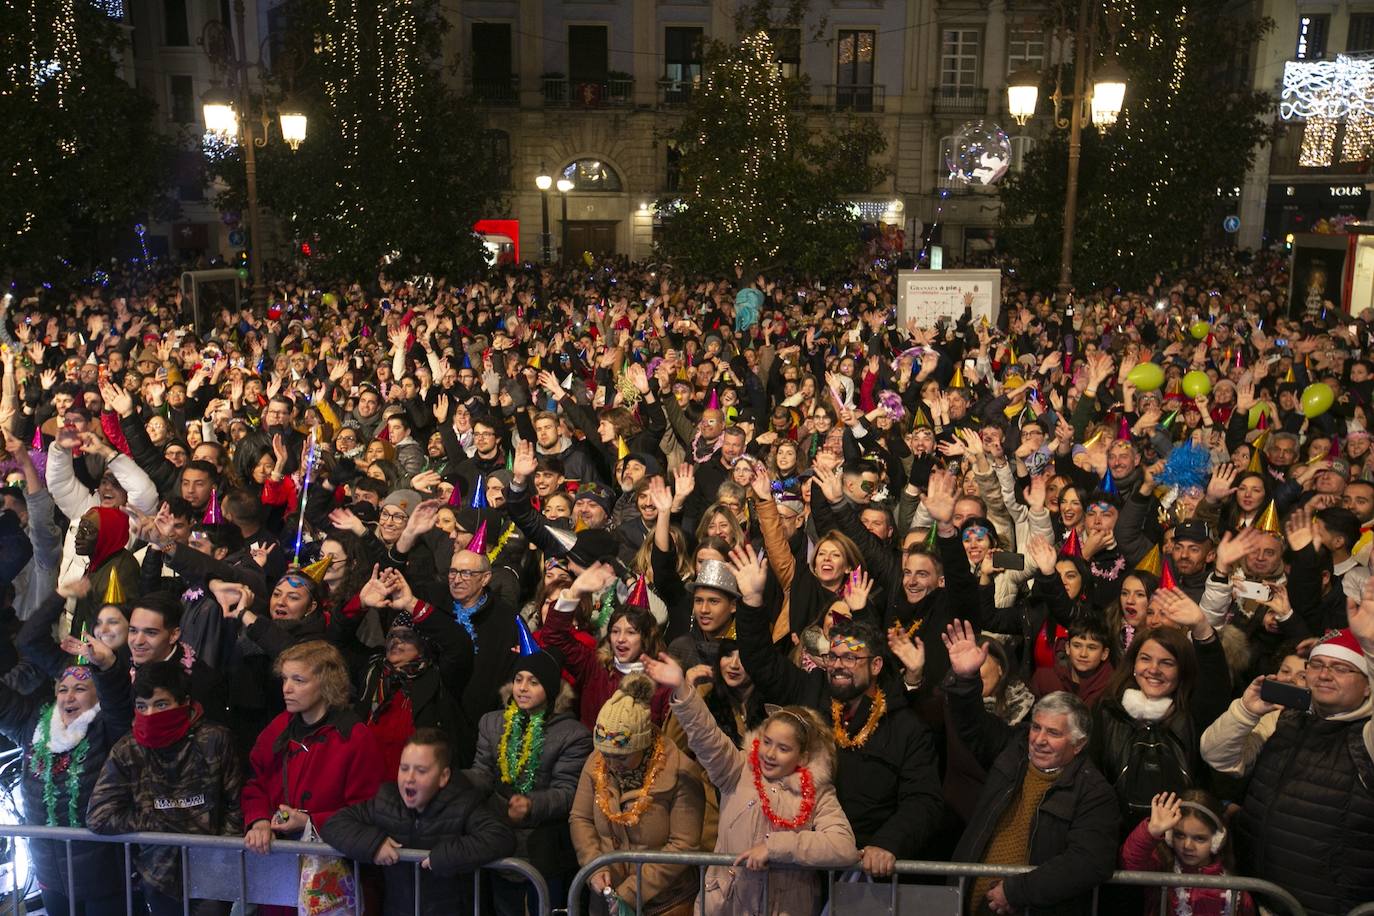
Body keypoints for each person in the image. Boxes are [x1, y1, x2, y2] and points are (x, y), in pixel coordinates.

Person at [732, 542, 943, 874]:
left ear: (875, 666)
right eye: (833, 656)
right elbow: (761, 662)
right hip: (802, 860)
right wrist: (751, 603)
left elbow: (924, 801)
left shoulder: (904, 726)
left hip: (865, 870)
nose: (838, 665)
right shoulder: (810, 690)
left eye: (850, 658)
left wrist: (889, 842)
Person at [643, 649, 858, 915]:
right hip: (726, 905)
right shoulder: (738, 769)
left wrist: (777, 848)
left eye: (783, 748)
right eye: (766, 742)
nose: (769, 753)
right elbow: (707, 738)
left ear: (802, 755)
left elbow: (843, 847)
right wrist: (684, 691)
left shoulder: (817, 791)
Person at [942, 619, 1120, 916]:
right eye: (1036, 728)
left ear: (1078, 744)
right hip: (969, 903)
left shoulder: (1094, 793)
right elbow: (973, 727)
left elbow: (1089, 862)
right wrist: (965, 681)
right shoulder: (1013, 751)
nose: (1038, 740)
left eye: (1053, 733)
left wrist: (1016, 891)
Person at [1200, 613, 1374, 916]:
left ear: (1369, 685)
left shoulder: (1366, 737)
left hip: (1328, 907)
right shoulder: (1284, 719)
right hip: (1261, 897)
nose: (1323, 674)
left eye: (1341, 668)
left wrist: (1370, 646)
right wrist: (1245, 711)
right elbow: (1217, 756)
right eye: (1317, 665)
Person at [86, 662, 243, 916]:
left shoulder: (214, 739)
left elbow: (235, 804)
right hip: (158, 872)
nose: (150, 714)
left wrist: (221, 859)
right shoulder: (127, 749)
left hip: (212, 873)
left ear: (184, 702)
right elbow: (99, 816)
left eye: (161, 705)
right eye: (141, 706)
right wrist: (157, 820)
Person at [0, 630, 132, 916]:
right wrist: (61, 595)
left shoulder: (108, 728)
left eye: (80, 688)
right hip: (51, 878)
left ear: (98, 695)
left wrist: (107, 666)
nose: (69, 696)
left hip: (104, 879)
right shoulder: (33, 727)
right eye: (63, 689)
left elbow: (119, 699)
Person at [322, 729, 517, 916]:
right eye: (404, 768)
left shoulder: (465, 804)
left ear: (444, 777)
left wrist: (444, 856)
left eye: (421, 771)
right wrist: (373, 844)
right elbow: (335, 823)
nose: (409, 778)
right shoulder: (386, 800)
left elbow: (501, 836)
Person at [463, 646, 591, 916]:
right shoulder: (491, 723)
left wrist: (531, 804)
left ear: (551, 689)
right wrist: (458, 781)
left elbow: (568, 792)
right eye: (519, 679)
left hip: (545, 847)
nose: (522, 688)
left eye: (533, 682)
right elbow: (482, 772)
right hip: (500, 839)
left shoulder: (573, 735)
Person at [569, 673, 707, 916]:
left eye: (621, 757)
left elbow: (683, 845)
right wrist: (594, 866)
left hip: (667, 904)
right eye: (605, 754)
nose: (611, 764)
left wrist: (632, 892)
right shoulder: (596, 762)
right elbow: (581, 818)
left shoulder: (680, 772)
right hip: (607, 897)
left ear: (643, 746)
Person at [242, 641, 386, 854]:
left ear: (326, 684)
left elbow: (366, 809)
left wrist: (310, 821)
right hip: (280, 856)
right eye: (284, 678)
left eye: (298, 680)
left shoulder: (354, 736)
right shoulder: (279, 726)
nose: (286, 688)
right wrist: (259, 819)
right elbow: (255, 782)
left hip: (333, 859)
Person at [1119, 790, 1255, 916]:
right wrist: (1151, 831)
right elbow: (1130, 863)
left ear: (1217, 840)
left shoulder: (1237, 890)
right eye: (1180, 835)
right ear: (1169, 835)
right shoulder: (1162, 866)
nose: (1188, 846)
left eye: (1199, 838)